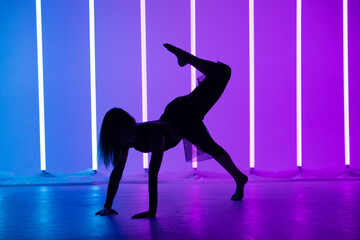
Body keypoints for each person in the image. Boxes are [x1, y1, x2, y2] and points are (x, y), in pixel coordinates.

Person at [95, 44, 248, 219]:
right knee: (209, 146)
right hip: (177, 118)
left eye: (116, 136)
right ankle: (239, 178)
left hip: (185, 111)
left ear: (126, 127)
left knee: (223, 72)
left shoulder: (155, 137)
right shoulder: (127, 141)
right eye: (114, 138)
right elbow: (117, 173)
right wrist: (107, 207)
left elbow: (153, 174)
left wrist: (151, 211)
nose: (117, 142)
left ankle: (187, 59)